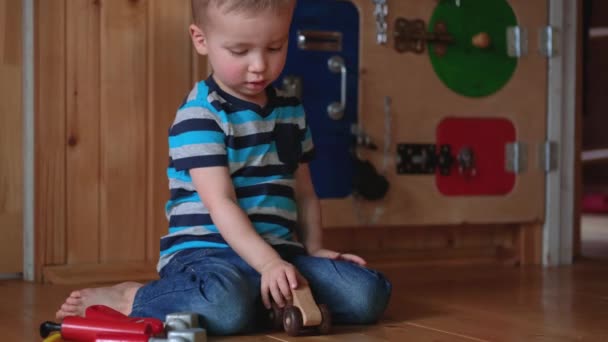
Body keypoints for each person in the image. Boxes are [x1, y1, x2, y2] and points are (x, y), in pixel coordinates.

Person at [55, 0, 391, 335]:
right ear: (201, 40)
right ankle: (134, 296)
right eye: (240, 51)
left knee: (367, 295)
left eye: (275, 47)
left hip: (280, 254)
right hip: (208, 257)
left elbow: (304, 193)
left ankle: (263, 303)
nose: (259, 65)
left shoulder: (292, 111)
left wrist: (315, 251)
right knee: (224, 306)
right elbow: (221, 202)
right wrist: (268, 263)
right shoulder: (201, 115)